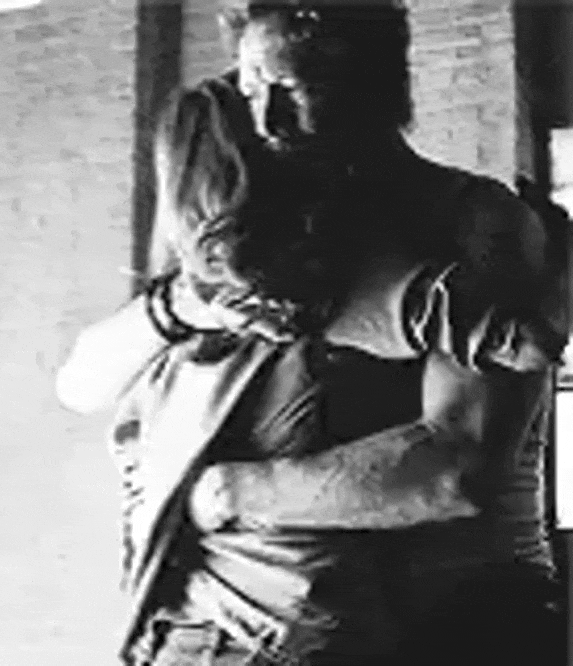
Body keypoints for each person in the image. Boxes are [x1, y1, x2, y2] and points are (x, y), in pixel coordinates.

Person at [55, 2, 569, 665]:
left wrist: (223, 493)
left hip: (455, 623)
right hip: (232, 622)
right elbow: (79, 384)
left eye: (293, 88)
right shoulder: (271, 230)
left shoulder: (467, 217)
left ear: (373, 88)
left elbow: (453, 470)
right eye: (249, 91)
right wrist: (182, 305)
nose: (267, 120)